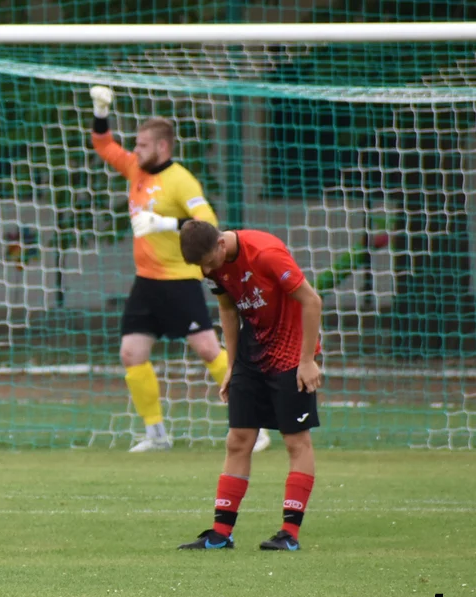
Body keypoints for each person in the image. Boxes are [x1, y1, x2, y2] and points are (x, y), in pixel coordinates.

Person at [88, 85, 271, 453]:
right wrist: (100, 112)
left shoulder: (180, 179)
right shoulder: (135, 169)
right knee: (131, 354)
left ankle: (256, 425)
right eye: (135, 145)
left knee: (207, 348)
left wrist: (165, 224)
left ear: (162, 147)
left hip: (179, 280)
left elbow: (209, 221)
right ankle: (156, 435)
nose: (135, 150)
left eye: (141, 145)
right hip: (146, 282)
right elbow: (104, 147)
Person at [172, 221, 322, 551]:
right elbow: (227, 309)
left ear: (221, 246)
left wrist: (307, 359)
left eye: (209, 263)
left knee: (296, 441)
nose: (206, 271)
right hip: (250, 357)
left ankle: (289, 534)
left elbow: (312, 301)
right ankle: (220, 534)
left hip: (290, 354)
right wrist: (231, 365)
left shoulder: (266, 254)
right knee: (238, 440)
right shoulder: (212, 266)